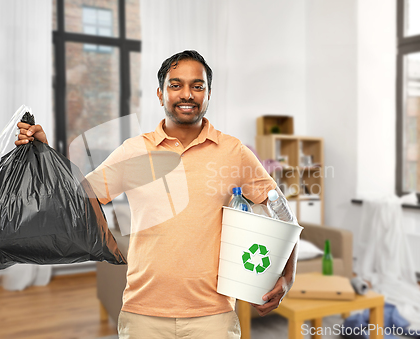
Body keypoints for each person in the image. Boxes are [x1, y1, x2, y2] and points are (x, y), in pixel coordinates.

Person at [16, 50, 298, 339]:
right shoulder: (134, 150)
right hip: (143, 314)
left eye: (197, 86)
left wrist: (287, 277)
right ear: (161, 95)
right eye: (175, 85)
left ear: (208, 94)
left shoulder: (233, 152)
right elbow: (76, 201)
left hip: (214, 317)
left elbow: (283, 214)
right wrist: (44, 154)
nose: (187, 94)